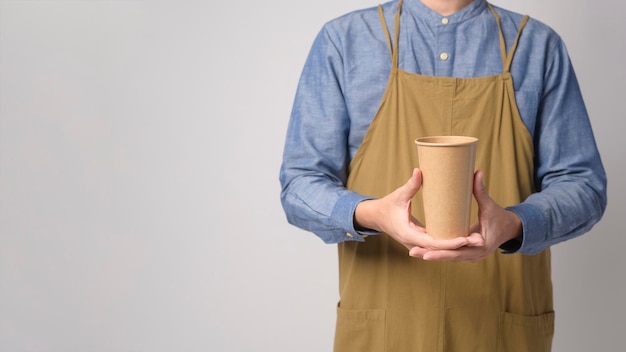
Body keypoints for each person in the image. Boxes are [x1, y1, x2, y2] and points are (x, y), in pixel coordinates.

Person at [279, 0, 607, 350]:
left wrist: (512, 224)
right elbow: (300, 182)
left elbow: (584, 185)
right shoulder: (345, 41)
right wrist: (373, 215)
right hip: (386, 327)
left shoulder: (537, 45)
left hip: (497, 327)